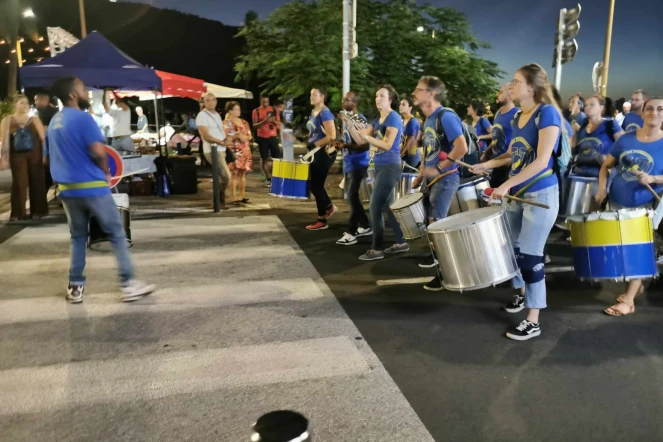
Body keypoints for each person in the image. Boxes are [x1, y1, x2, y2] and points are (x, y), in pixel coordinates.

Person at [472, 63, 563, 341]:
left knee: (531, 257)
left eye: (516, 81)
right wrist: (486, 165)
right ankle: (521, 295)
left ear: (531, 87)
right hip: (516, 195)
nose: (511, 86)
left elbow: (542, 160)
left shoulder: (546, 114)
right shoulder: (517, 119)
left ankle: (533, 319)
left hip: (540, 194)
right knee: (511, 250)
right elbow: (514, 154)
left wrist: (506, 184)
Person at [47, 77, 155, 303]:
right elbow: (98, 151)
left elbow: (48, 158)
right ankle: (128, 285)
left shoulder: (54, 122)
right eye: (82, 89)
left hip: (67, 190)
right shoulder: (83, 119)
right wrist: (106, 172)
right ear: (73, 94)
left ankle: (76, 287)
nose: (87, 92)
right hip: (93, 187)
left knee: (78, 237)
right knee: (116, 234)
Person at [595, 97, 663, 316]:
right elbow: (607, 165)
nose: (655, 112)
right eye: (650, 108)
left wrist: (653, 179)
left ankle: (629, 300)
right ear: (641, 113)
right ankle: (638, 285)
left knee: (638, 252)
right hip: (616, 201)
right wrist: (601, 188)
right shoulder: (626, 140)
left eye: (660, 109)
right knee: (618, 252)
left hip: (645, 205)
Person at [411, 76, 468, 290]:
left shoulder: (446, 116)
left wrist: (438, 169)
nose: (414, 93)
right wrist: (421, 173)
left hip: (446, 178)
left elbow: (461, 147)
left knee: (437, 224)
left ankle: (446, 275)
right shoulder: (428, 119)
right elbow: (428, 149)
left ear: (431, 94)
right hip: (432, 178)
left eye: (419, 89)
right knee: (431, 223)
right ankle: (437, 259)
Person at [348, 84, 408, 261]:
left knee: (374, 207)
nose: (377, 99)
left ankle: (377, 249)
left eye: (382, 96)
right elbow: (360, 140)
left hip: (390, 166)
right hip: (380, 166)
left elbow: (388, 144)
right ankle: (401, 242)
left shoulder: (394, 117)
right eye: (376, 96)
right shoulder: (377, 121)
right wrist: (351, 125)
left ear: (390, 99)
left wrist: (366, 136)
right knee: (388, 208)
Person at [0, 95, 49, 221]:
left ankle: (38, 211)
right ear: (15, 105)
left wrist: (45, 155)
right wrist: (4, 158)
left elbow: (43, 138)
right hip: (17, 155)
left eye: (27, 103)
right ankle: (18, 213)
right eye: (22, 103)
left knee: (37, 181)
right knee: (19, 183)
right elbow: (4, 140)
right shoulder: (8, 120)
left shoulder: (34, 119)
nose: (25, 106)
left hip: (35, 154)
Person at [336, 91, 372, 245]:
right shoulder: (347, 120)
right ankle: (364, 225)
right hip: (349, 162)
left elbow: (365, 145)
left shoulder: (359, 119)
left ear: (355, 103)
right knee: (352, 197)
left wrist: (345, 145)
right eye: (344, 99)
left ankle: (351, 233)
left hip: (358, 163)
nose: (343, 102)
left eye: (347, 100)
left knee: (351, 196)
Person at [305, 87, 337, 230]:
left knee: (316, 186)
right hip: (316, 152)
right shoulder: (314, 112)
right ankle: (328, 208)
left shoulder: (325, 113)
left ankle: (322, 219)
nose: (311, 97)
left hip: (324, 152)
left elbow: (332, 136)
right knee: (315, 185)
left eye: (314, 95)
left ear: (322, 96)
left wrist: (315, 144)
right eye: (311, 94)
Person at [572, 95, 624, 177]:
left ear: (601, 108)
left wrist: (610, 160)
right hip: (579, 174)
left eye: (592, 105)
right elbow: (574, 149)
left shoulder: (610, 125)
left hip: (601, 176)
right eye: (586, 105)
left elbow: (625, 146)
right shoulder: (583, 126)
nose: (588, 107)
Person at [196, 93, 231, 210]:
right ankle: (218, 201)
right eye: (208, 100)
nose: (211, 102)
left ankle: (219, 202)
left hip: (221, 149)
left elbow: (219, 131)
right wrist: (220, 142)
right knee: (226, 176)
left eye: (213, 100)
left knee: (223, 177)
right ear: (204, 102)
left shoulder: (216, 114)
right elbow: (205, 136)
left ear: (216, 101)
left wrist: (226, 140)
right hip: (212, 150)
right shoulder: (202, 116)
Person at [482, 83, 519, 188]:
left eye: (501, 92)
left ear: (510, 95)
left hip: (507, 167)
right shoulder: (498, 113)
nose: (497, 94)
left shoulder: (517, 115)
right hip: (496, 164)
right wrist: (487, 152)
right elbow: (496, 137)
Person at [224, 101, 253, 205]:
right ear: (230, 111)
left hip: (245, 150)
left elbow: (249, 135)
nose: (238, 111)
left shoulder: (244, 122)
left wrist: (246, 137)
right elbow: (226, 137)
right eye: (236, 109)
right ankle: (233, 197)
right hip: (234, 151)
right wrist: (237, 136)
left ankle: (242, 195)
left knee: (242, 173)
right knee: (234, 174)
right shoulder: (227, 123)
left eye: (239, 109)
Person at [252, 96, 281, 186]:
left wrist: (273, 121)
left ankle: (277, 177)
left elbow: (279, 123)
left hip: (273, 136)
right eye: (263, 102)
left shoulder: (274, 110)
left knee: (277, 158)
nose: (265, 104)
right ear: (260, 101)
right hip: (262, 137)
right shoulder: (256, 111)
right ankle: (269, 178)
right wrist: (264, 122)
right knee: (265, 158)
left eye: (267, 102)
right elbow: (254, 125)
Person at [35, 92, 59, 191]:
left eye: (37, 100)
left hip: (47, 146)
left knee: (45, 175)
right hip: (56, 146)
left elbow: (44, 131)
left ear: (44, 100)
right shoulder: (55, 111)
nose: (35, 102)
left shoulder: (44, 112)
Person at [399, 97, 421, 169]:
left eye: (403, 105)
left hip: (411, 157)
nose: (400, 106)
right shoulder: (402, 121)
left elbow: (408, 142)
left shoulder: (412, 122)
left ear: (410, 108)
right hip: (404, 155)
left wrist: (398, 156)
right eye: (400, 104)